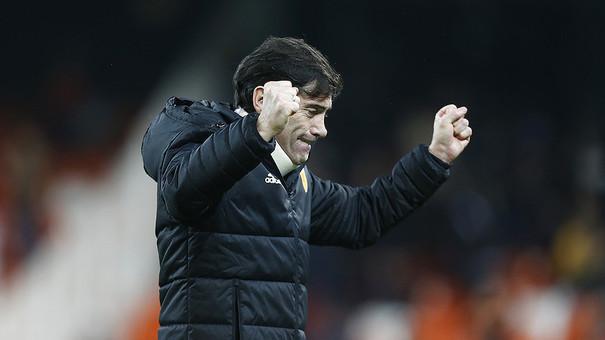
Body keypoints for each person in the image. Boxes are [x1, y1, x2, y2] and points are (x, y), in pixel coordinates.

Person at [141, 36, 472, 340]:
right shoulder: (193, 131)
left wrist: (434, 159)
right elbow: (183, 193)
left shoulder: (293, 179)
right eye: (312, 112)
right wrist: (256, 132)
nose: (322, 130)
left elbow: (363, 216)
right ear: (262, 100)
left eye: (324, 114)